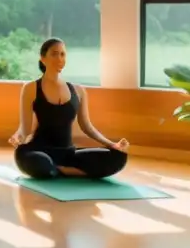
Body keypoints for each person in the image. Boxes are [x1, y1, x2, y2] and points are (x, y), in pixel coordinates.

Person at [8, 38, 130, 180]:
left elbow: (88, 127)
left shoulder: (78, 91)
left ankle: (57, 170)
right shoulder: (30, 88)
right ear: (43, 58)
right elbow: (25, 128)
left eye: (62, 54)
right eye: (54, 54)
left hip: (68, 154)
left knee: (118, 157)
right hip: (38, 151)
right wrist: (17, 137)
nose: (59, 58)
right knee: (37, 161)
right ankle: (65, 170)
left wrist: (112, 144)